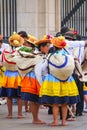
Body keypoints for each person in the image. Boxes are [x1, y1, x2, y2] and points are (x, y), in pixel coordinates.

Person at [39, 36, 80, 126]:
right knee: (65, 103)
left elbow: (43, 68)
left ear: (54, 46)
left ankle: (55, 121)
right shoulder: (68, 55)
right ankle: (64, 121)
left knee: (55, 103)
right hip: (67, 80)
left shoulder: (50, 56)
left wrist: (48, 74)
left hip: (53, 80)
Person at [0, 32, 24, 118]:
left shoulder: (7, 50)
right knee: (19, 95)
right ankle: (19, 114)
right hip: (18, 74)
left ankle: (10, 114)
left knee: (8, 95)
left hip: (8, 74)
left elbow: (2, 61)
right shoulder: (22, 50)